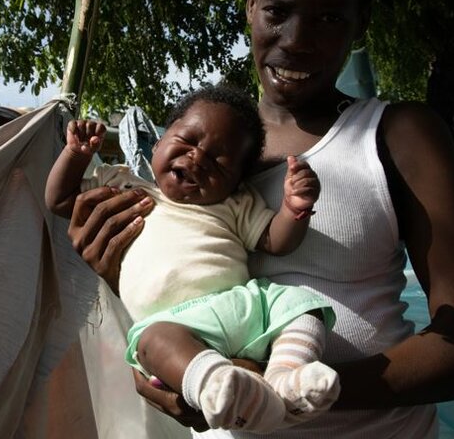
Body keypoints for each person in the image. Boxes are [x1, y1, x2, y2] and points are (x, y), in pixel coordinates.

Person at [65, 0, 454, 438]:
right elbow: (179, 306)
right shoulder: (195, 154)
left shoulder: (395, 135)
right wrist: (119, 274)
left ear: (361, 22)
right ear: (251, 3)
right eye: (277, 11)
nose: (297, 40)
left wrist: (292, 394)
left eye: (329, 19)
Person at [45, 85, 339, 433]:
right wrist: (76, 155)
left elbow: (276, 240)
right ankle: (220, 384)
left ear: (235, 183)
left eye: (218, 161)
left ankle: (286, 378)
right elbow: (60, 200)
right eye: (187, 140)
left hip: (238, 306)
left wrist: (294, 208)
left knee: (300, 304)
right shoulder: (123, 186)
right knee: (150, 342)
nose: (198, 158)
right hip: (176, 329)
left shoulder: (234, 206)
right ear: (157, 142)